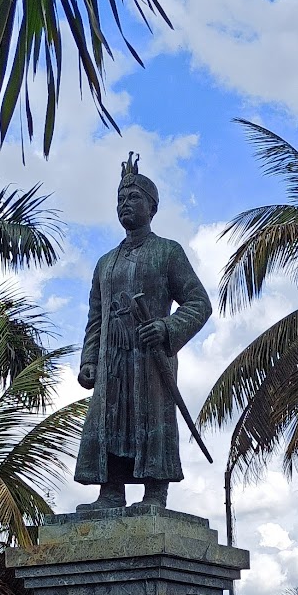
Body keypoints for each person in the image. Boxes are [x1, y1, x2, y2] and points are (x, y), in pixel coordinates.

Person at [74, 155, 212, 511]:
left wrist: (167, 327)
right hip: (112, 360)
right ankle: (111, 491)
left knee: (151, 417)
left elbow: (199, 302)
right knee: (110, 417)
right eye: (120, 199)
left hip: (151, 358)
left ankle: (155, 492)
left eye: (133, 197)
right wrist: (89, 359)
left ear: (152, 207)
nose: (124, 204)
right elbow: (95, 317)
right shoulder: (105, 262)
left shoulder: (168, 252)